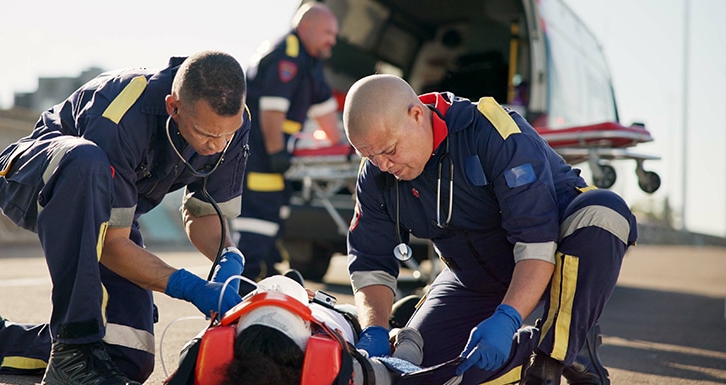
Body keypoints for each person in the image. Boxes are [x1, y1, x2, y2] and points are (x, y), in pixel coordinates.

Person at [0, 50, 252, 385]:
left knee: (128, 355)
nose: (217, 145)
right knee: (87, 161)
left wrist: (228, 257)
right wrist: (190, 287)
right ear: (173, 106)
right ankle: (72, 347)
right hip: (36, 176)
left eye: (227, 133)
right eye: (206, 134)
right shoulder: (124, 113)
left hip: (106, 215)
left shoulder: (231, 123)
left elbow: (205, 214)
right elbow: (112, 245)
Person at [341, 74, 637, 385]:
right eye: (370, 156)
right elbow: (371, 261)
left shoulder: (493, 133)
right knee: (422, 374)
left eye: (388, 150)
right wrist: (374, 327)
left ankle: (551, 359)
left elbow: (536, 241)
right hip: (472, 278)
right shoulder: (375, 173)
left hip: (551, 257)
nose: (382, 164)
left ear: (416, 115)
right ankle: (552, 348)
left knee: (603, 212)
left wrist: (507, 317)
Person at [233, 2, 344, 285]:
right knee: (259, 217)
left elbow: (326, 113)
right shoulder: (286, 57)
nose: (333, 40)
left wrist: (345, 147)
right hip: (259, 153)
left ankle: (267, 274)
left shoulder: (311, 61)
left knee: (276, 212)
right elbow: (272, 111)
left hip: (275, 154)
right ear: (305, 27)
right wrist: (277, 153)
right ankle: (246, 280)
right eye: (328, 32)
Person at [167, 274, 432, 385]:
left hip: (324, 312)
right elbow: (404, 367)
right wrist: (401, 335)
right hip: (342, 317)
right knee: (404, 312)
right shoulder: (339, 368)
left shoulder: (203, 359)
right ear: (305, 328)